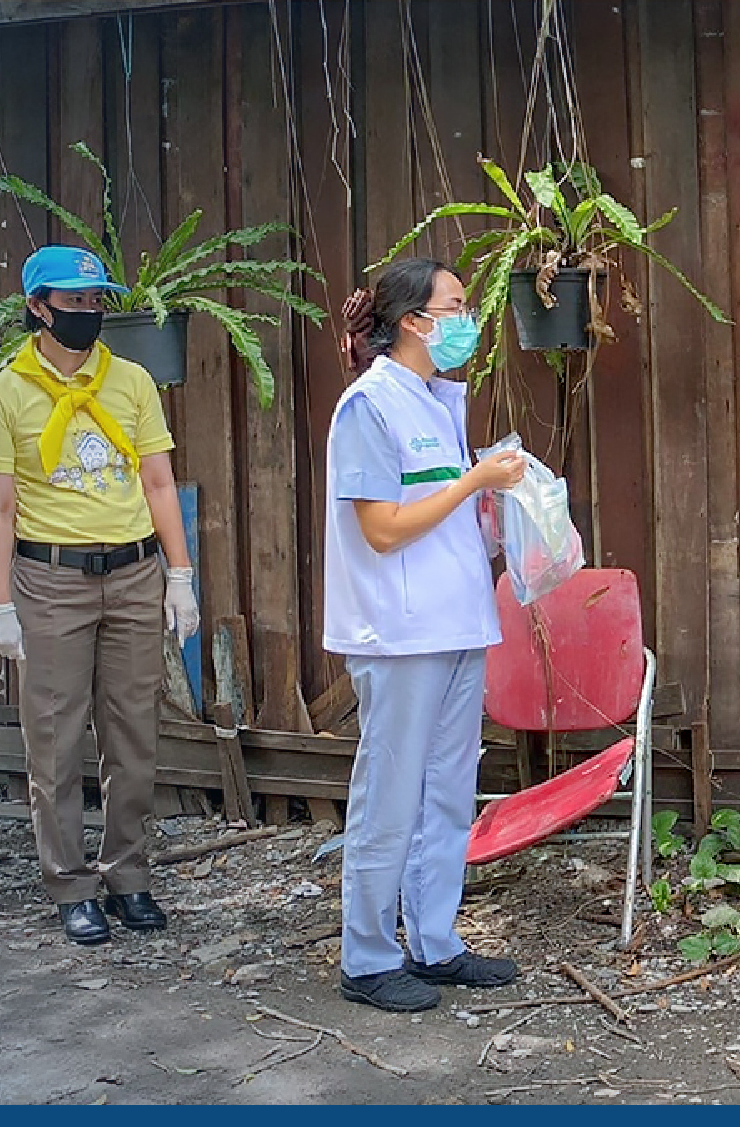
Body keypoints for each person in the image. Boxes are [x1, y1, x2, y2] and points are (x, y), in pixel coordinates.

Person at [0, 245, 201, 946]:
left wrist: (180, 576)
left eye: (97, 301)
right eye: (74, 303)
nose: (89, 313)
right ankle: (70, 884)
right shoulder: (1, 395)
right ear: (37, 308)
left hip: (132, 574)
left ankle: (128, 875)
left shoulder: (129, 381)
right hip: (50, 580)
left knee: (134, 735)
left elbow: (159, 483)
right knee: (56, 739)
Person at [324, 258, 527, 1012]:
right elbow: (380, 530)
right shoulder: (368, 408)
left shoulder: (438, 401)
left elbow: (436, 511)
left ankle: (435, 942)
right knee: (390, 797)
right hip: (399, 632)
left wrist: (491, 510)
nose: (467, 316)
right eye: (456, 304)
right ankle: (368, 957)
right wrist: (474, 484)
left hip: (456, 623)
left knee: (446, 793)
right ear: (414, 321)